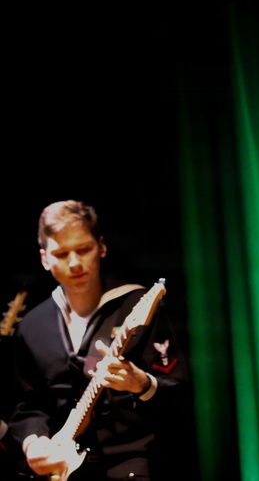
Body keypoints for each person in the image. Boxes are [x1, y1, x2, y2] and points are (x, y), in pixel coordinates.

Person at [7, 200, 191, 481]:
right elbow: (27, 404)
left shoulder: (135, 305)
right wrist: (33, 444)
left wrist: (141, 383)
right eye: (61, 253)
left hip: (131, 463)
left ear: (101, 247)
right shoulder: (32, 325)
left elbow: (179, 394)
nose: (75, 263)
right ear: (45, 259)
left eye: (84, 249)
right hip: (63, 470)